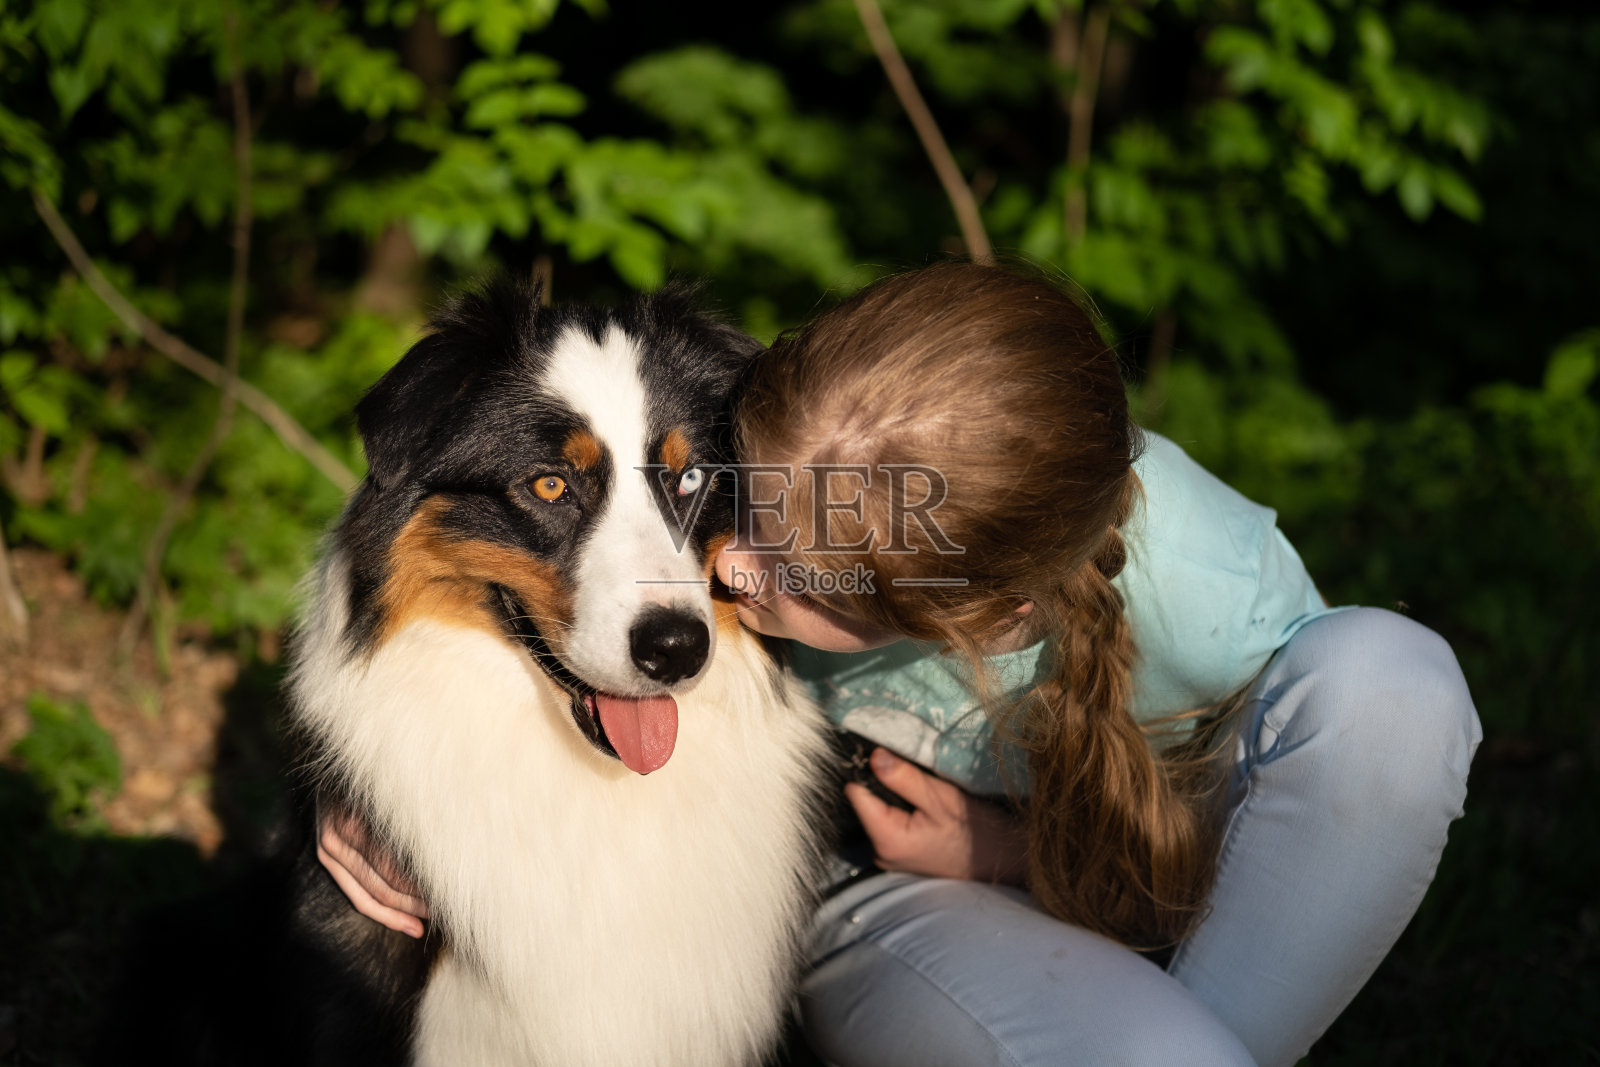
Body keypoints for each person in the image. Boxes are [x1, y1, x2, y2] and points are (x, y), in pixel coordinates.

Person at [319, 262, 1481, 1066]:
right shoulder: (841, 434)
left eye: (806, 580)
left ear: (980, 614)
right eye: (749, 504)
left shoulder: (1210, 598)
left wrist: (1024, 850)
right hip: (884, 904)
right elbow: (455, 675)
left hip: (1135, 881)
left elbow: (1296, 846)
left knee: (1392, 683)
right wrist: (383, 800)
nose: (721, 573)